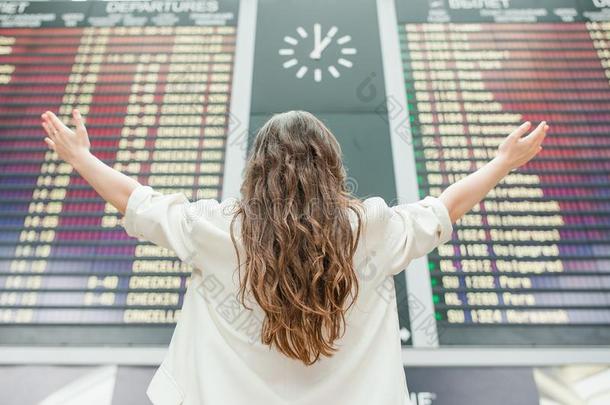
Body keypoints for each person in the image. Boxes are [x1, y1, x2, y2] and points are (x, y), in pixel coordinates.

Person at [40, 109, 548, 405]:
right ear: (330, 166)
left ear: (256, 169)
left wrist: (81, 157)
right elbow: (442, 210)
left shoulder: (217, 229)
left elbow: (138, 202)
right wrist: (503, 162)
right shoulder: (368, 229)